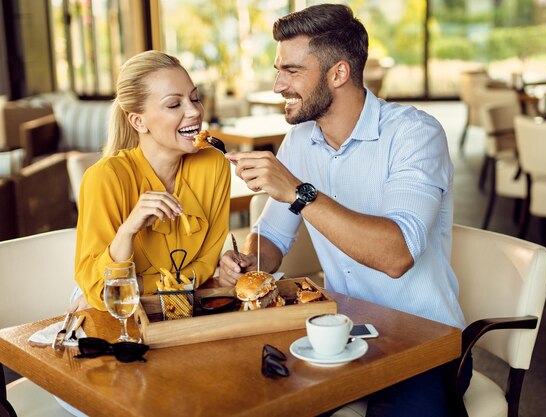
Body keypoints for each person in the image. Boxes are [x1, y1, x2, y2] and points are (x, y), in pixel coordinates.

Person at [218, 4, 470, 416]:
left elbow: (397, 255)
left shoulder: (415, 134)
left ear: (338, 73)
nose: (278, 84)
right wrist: (250, 261)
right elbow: (273, 237)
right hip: (339, 334)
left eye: (293, 71)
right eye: (278, 69)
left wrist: (298, 192)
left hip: (424, 345)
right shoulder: (300, 140)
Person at [72, 50, 230, 312]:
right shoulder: (105, 178)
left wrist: (139, 284)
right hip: (112, 310)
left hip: (178, 305)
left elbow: (205, 265)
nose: (194, 112)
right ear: (138, 121)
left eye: (195, 98)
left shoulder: (213, 164)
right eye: (173, 104)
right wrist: (128, 230)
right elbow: (101, 293)